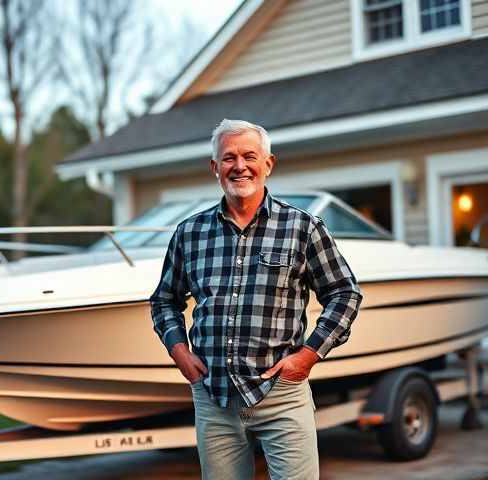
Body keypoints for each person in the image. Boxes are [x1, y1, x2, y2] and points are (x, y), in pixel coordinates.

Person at [150, 118, 363, 480]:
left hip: (282, 393)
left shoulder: (303, 228)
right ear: (215, 168)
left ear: (268, 164)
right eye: (228, 158)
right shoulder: (189, 233)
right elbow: (164, 300)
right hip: (213, 397)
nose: (239, 166)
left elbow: (345, 293)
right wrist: (179, 351)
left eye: (249, 155)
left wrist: (308, 356)